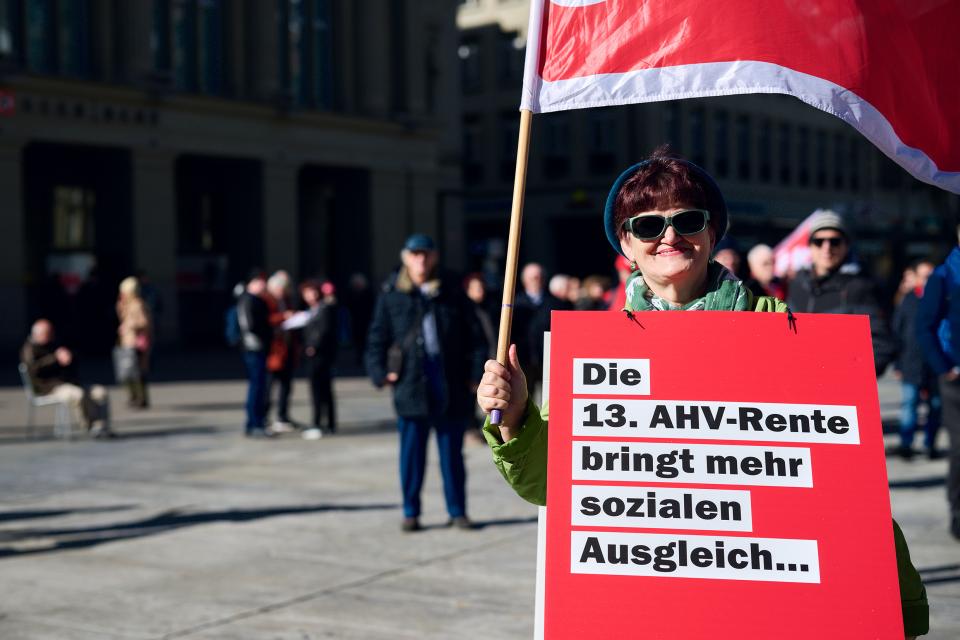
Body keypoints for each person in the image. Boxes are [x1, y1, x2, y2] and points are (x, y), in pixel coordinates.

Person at [476, 149, 928, 639]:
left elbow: (842, 487)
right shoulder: (598, 355)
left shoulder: (782, 330)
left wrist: (886, 602)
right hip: (654, 608)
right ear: (626, 244)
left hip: (772, 609)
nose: (669, 236)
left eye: (687, 220)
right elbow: (560, 486)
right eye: (648, 226)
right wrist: (517, 418)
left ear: (713, 233)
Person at [365, 233, 486, 532]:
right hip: (410, 386)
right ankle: (411, 511)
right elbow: (376, 339)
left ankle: (457, 510)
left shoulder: (452, 292)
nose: (420, 260)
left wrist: (475, 374)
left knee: (452, 456)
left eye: (426, 254)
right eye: (414, 254)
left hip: (450, 385)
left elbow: (476, 338)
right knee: (411, 456)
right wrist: (380, 373)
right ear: (405, 257)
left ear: (434, 257)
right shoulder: (392, 295)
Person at [787, 211, 897, 376]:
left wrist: (851, 377)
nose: (827, 248)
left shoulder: (861, 287)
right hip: (798, 382)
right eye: (819, 241)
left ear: (846, 246)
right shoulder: (797, 285)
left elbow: (881, 344)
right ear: (810, 246)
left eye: (835, 241)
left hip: (839, 388)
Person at [917, 214, 960, 541]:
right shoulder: (944, 275)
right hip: (954, 378)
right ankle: (958, 513)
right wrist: (945, 368)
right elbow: (924, 326)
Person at [21, 319, 113, 438]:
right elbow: (33, 369)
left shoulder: (55, 343)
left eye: (50, 333)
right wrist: (55, 358)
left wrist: (69, 357)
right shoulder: (30, 348)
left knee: (101, 392)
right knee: (78, 394)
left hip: (71, 382)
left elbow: (75, 360)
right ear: (37, 334)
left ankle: (102, 426)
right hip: (50, 386)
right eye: (46, 334)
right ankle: (90, 426)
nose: (50, 336)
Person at [893, 261, 941, 460]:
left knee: (935, 406)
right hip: (911, 363)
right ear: (917, 277)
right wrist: (897, 363)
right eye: (924, 275)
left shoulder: (943, 300)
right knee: (909, 404)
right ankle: (906, 444)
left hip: (936, 365)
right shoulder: (908, 300)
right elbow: (897, 331)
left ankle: (930, 444)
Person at [300, 280, 339, 440]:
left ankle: (320, 423)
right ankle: (326, 423)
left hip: (320, 355)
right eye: (307, 293)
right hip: (315, 355)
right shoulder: (312, 310)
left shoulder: (324, 309)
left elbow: (324, 331)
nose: (311, 295)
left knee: (320, 390)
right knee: (321, 389)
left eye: (313, 291)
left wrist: (312, 345)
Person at [237, 271, 273, 438]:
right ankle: (254, 422)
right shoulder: (248, 300)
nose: (263, 285)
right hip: (254, 348)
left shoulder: (255, 300)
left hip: (257, 347)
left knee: (259, 386)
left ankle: (256, 421)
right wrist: (268, 332)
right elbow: (251, 326)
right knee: (257, 386)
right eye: (260, 282)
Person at [265, 270, 297, 433]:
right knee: (269, 386)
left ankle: (282, 416)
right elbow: (265, 321)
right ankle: (265, 417)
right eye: (281, 289)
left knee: (286, 385)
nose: (283, 292)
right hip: (274, 351)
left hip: (287, 348)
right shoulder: (267, 300)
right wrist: (283, 317)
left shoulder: (286, 299)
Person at [116, 276, 152, 409]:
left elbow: (144, 322)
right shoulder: (126, 303)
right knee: (128, 371)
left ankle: (141, 398)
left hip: (136, 342)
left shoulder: (138, 304)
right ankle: (134, 397)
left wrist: (130, 325)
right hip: (127, 341)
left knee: (137, 371)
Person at [464, 272, 496, 359]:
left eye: (481, 287)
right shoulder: (464, 312)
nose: (480, 290)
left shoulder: (489, 309)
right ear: (468, 290)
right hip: (473, 358)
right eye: (476, 288)